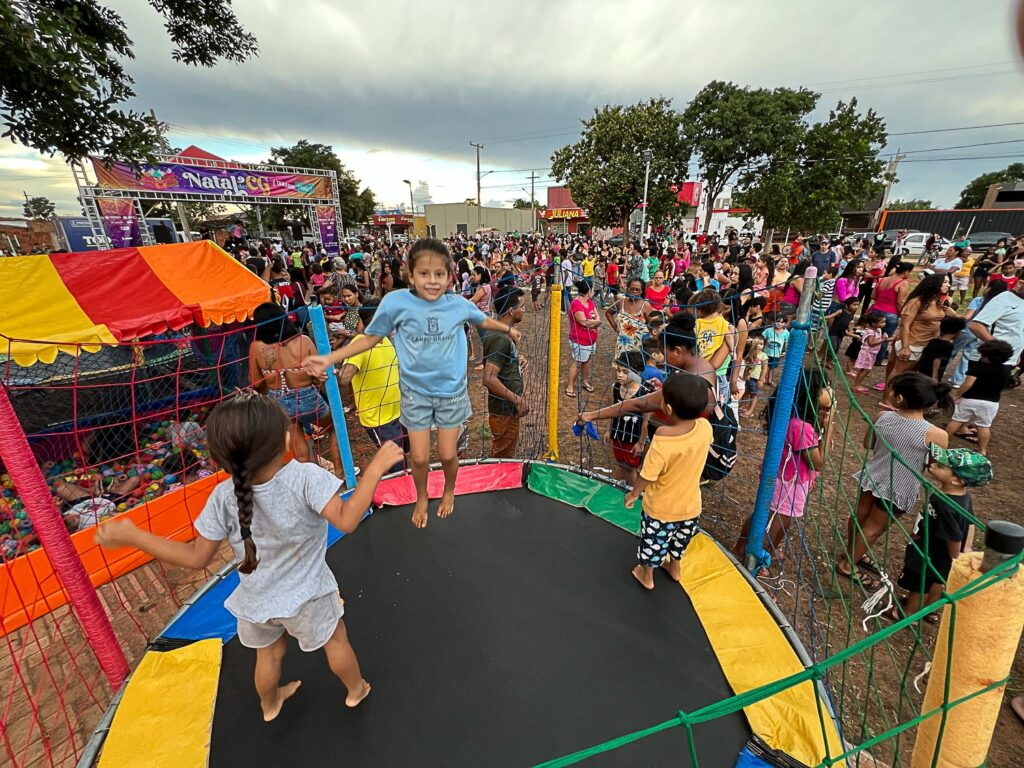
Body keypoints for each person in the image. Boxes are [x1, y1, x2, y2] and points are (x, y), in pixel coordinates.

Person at [95, 393, 405, 721]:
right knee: (336, 640)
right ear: (285, 438)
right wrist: (375, 468)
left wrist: (134, 536)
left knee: (268, 656)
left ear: (220, 457)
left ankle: (269, 705)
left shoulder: (223, 496)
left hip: (255, 601)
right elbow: (346, 520)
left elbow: (195, 556)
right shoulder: (303, 477)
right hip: (308, 596)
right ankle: (356, 691)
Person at [304, 238, 521, 528]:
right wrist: (331, 359)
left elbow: (481, 319)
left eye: (439, 274)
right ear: (411, 274)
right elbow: (368, 338)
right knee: (418, 459)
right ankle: (421, 497)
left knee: (446, 454)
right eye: (424, 273)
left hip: (450, 395)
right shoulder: (396, 302)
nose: (432, 281)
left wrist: (508, 328)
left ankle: (448, 490)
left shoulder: (456, 303)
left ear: (449, 276)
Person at [837, 373, 952, 588]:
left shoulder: (882, 417)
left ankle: (853, 552)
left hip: (873, 476)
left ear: (899, 398)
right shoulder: (936, 434)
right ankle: (848, 564)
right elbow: (934, 466)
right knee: (874, 528)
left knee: (860, 516)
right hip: (901, 486)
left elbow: (868, 443)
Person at [623, 374, 713, 591]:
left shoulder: (663, 439)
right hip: (691, 507)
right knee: (680, 540)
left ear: (668, 409)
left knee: (652, 543)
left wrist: (634, 494)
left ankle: (647, 575)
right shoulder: (704, 427)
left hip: (661, 509)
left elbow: (648, 474)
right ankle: (675, 568)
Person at [735, 369, 833, 561]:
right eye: (824, 386)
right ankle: (753, 554)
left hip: (785, 478)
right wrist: (828, 427)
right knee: (774, 521)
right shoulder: (800, 427)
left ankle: (754, 548)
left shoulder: (792, 415)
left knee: (771, 517)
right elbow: (818, 462)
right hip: (788, 482)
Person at [887, 446, 991, 622]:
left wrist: (956, 556)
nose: (933, 466)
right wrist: (965, 549)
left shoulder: (945, 505)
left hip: (931, 552)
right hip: (940, 555)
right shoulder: (963, 497)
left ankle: (909, 613)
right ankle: (929, 608)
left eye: (941, 467)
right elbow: (970, 521)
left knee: (920, 583)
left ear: (957, 480)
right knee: (938, 578)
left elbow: (953, 537)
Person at [248, 303, 342, 474]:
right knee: (334, 428)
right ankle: (340, 472)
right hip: (308, 397)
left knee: (298, 441)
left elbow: (256, 382)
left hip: (278, 400)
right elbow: (319, 372)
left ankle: (313, 483)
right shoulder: (303, 341)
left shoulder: (256, 347)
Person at [336, 305, 407, 475]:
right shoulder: (361, 343)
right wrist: (338, 371)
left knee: (404, 457)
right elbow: (344, 379)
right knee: (395, 465)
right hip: (378, 419)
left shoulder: (384, 339)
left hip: (398, 412)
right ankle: (394, 494)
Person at [882, 273, 955, 395]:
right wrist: (905, 347)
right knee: (899, 372)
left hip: (929, 344)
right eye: (945, 282)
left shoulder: (939, 302)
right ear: (934, 284)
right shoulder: (916, 302)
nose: (949, 285)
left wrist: (950, 312)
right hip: (913, 343)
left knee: (914, 374)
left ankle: (901, 397)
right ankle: (887, 399)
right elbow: (905, 325)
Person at [482, 285, 529, 458]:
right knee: (502, 458)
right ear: (511, 310)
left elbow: (501, 359)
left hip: (508, 409)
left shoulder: (504, 333)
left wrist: (517, 359)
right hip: (503, 411)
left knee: (505, 452)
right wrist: (517, 399)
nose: (524, 310)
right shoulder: (500, 338)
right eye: (522, 306)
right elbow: (488, 378)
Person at [945, 339, 1013, 456]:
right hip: (991, 402)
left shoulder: (978, 368)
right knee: (984, 426)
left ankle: (942, 441)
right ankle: (983, 449)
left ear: (986, 356)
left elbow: (968, 384)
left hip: (970, 399)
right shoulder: (1006, 370)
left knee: (956, 420)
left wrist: (957, 394)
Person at [605, 351, 652, 486]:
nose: (620, 375)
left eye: (625, 372)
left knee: (631, 468)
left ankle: (634, 497)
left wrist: (641, 443)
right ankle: (613, 490)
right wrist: (609, 430)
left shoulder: (644, 393)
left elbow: (645, 422)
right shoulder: (615, 388)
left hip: (634, 439)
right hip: (618, 434)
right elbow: (610, 411)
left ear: (637, 372)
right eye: (618, 370)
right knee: (620, 463)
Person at [867, 262, 912, 366]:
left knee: (873, 335)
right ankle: (878, 360)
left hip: (876, 310)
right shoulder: (902, 283)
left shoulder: (883, 279)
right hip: (891, 313)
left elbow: (873, 296)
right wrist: (902, 314)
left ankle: (867, 355)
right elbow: (900, 302)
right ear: (906, 272)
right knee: (885, 338)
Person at [566, 280, 601, 396]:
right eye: (592, 289)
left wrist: (595, 322)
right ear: (588, 291)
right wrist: (596, 322)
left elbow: (596, 316)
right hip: (579, 340)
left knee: (586, 361)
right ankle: (570, 386)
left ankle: (584, 381)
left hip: (591, 339)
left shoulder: (590, 302)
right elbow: (583, 322)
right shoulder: (576, 303)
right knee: (577, 362)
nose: (593, 291)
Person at [605, 278, 652, 356]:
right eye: (631, 289)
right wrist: (616, 328)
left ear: (642, 291)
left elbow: (653, 325)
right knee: (621, 366)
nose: (634, 291)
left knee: (636, 366)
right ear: (627, 289)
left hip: (639, 347)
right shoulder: (621, 302)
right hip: (622, 344)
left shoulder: (645, 305)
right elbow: (608, 313)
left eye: (637, 289)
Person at [916, 316, 965, 384]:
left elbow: (923, 354)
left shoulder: (933, 341)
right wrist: (934, 377)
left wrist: (917, 368)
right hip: (932, 374)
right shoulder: (948, 345)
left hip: (923, 370)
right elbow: (937, 360)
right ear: (957, 332)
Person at [850, 312, 889, 393]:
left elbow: (880, 340)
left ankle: (856, 384)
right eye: (882, 322)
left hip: (871, 353)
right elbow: (871, 343)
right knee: (865, 370)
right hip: (867, 353)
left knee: (863, 370)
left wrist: (893, 338)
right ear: (874, 323)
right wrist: (883, 339)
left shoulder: (878, 330)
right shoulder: (870, 332)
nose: (884, 324)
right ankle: (857, 385)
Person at [738, 337, 768, 418]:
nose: (759, 346)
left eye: (761, 344)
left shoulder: (763, 356)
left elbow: (765, 368)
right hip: (747, 377)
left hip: (756, 379)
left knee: (754, 395)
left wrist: (761, 380)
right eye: (757, 343)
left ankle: (750, 411)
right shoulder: (750, 353)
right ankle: (743, 407)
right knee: (746, 392)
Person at [824, 296, 859, 365]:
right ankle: (825, 360)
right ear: (847, 305)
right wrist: (823, 317)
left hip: (841, 334)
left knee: (836, 349)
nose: (856, 307)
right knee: (832, 348)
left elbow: (848, 325)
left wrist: (850, 330)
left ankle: (828, 362)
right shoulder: (841, 311)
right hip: (833, 333)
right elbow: (831, 316)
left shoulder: (851, 315)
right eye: (854, 305)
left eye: (857, 305)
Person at [762, 317, 789, 387]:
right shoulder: (768, 331)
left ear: (785, 324)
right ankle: (761, 379)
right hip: (765, 352)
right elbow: (762, 340)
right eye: (777, 321)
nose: (779, 323)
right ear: (773, 322)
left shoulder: (786, 333)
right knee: (763, 366)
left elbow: (786, 343)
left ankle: (769, 380)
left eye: (782, 322)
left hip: (776, 354)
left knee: (772, 367)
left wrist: (785, 351)